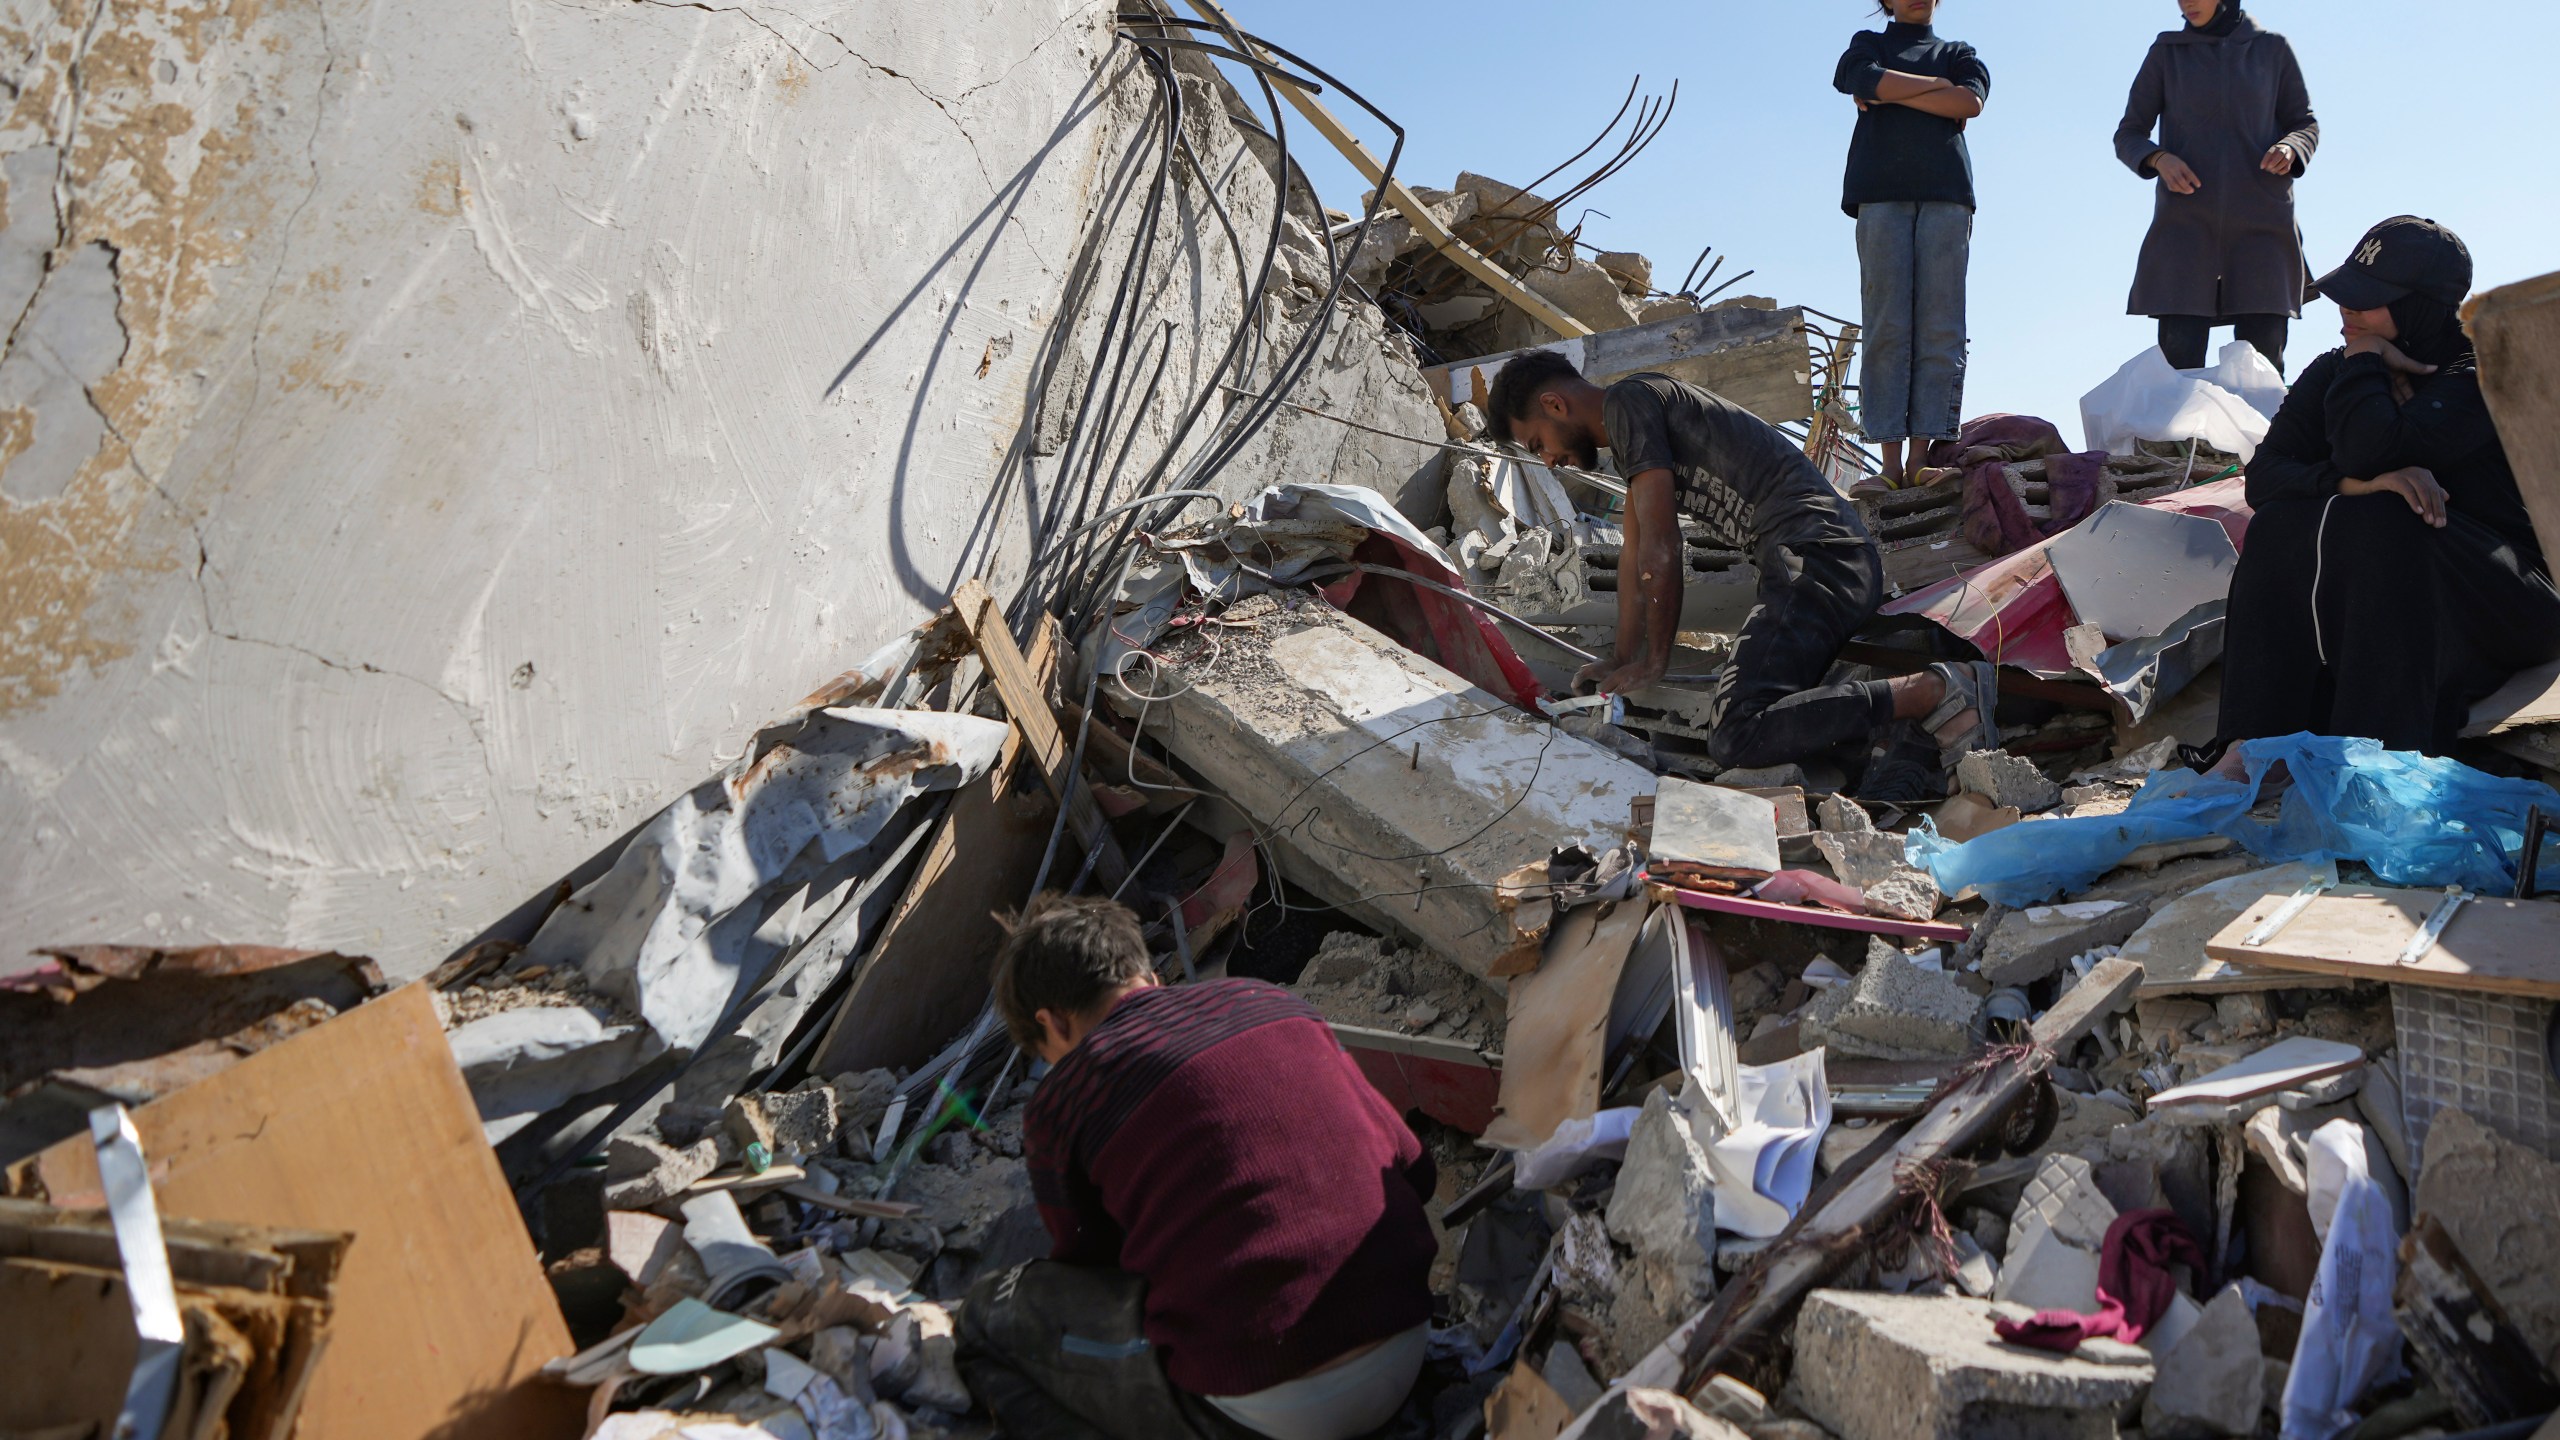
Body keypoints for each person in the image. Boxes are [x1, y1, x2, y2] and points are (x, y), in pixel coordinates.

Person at [955, 895, 1437, 1440]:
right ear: (1151, 978)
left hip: (1272, 1405)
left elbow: (1092, 1269)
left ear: (1053, 1023)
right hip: (1406, 1342)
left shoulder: (1067, 1098)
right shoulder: (1274, 1004)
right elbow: (1418, 1173)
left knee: (992, 1315)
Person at [1485, 352, 1998, 792]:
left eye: (1536, 445)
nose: (1548, 461)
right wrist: (1622, 657)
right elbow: (1633, 557)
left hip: (1816, 558)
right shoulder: (1632, 434)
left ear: (1554, 405)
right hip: (1818, 562)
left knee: (1736, 732)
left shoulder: (1629, 403)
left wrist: (1655, 663)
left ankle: (1937, 690)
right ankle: (1904, 729)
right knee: (1758, 723)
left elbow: (1663, 549)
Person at [2213, 217, 2560, 760]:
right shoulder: (2338, 368)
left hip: (2512, 595)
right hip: (2400, 593)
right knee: (2280, 522)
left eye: (2367, 300)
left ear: (2420, 306)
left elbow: (2373, 447)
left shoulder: (2481, 372)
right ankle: (2253, 746)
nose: (2347, 312)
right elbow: (2265, 478)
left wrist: (2367, 372)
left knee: (2389, 516)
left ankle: (2382, 750)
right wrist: (2352, 484)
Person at [2113, 0, 2319, 374]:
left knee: (2260, 379)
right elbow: (2128, 133)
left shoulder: (2272, 49)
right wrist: (2158, 158)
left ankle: (2267, 438)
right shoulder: (2166, 53)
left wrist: (2292, 147)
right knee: (2177, 382)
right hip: (2184, 236)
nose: (2186, 2)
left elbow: (2304, 124)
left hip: (2264, 234)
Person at [1834, 0, 1989, 489]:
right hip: (1879, 194)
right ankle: (1889, 467)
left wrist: (1891, 91)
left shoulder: (1959, 52)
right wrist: (1935, 90)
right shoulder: (1869, 45)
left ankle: (1923, 460)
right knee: (1887, 325)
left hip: (1947, 196)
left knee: (1941, 324)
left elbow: (1970, 102)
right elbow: (1857, 78)